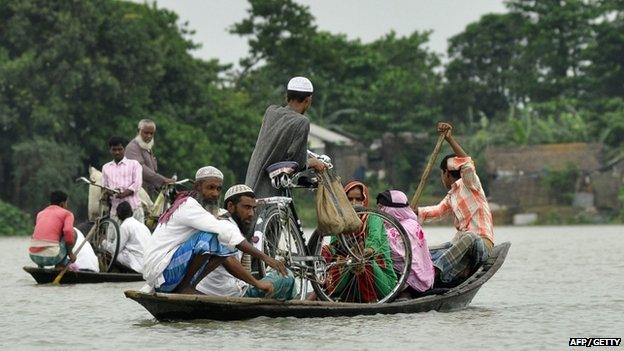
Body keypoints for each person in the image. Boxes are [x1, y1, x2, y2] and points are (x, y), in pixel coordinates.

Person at [142, 166, 287, 295]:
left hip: (165, 274)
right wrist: (265, 259)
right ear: (197, 187)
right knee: (214, 236)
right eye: (210, 188)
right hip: (163, 275)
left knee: (222, 239)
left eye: (218, 189)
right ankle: (186, 287)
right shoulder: (188, 206)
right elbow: (224, 232)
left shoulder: (206, 212)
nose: (215, 193)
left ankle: (188, 285)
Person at [416, 122, 495, 285]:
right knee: (428, 251)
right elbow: (435, 211)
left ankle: (435, 272)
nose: (441, 178)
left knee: (469, 236)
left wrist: (450, 139)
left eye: (441, 173)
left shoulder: (471, 184)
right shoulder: (451, 195)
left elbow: (467, 164)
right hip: (461, 246)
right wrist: (412, 211)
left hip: (481, 245)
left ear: (446, 173)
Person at [196, 184, 296, 300]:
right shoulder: (226, 225)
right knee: (287, 276)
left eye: (254, 208)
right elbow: (228, 259)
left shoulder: (222, 220)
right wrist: (257, 283)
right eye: (246, 207)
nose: (251, 214)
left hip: (211, 289)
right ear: (230, 206)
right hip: (228, 293)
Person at [245, 76, 327, 198]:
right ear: (308, 100)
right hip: (271, 190)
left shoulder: (271, 112)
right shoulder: (301, 122)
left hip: (251, 184)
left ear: (287, 97)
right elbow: (297, 163)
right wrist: (313, 162)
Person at [317, 181, 397, 302]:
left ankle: (368, 302)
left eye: (358, 199)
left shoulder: (373, 218)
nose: (354, 203)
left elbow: (373, 243)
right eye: (349, 199)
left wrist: (362, 254)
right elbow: (335, 247)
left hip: (381, 281)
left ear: (364, 200)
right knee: (327, 251)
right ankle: (319, 289)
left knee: (362, 262)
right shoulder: (340, 220)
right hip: (347, 272)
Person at [377, 190, 434, 294]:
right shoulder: (390, 225)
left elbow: (385, 243)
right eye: (378, 207)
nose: (379, 211)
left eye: (382, 207)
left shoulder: (409, 226)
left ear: (393, 209)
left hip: (411, 281)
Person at [125, 119, 175, 196]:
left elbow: (152, 170)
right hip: (135, 194)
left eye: (151, 133)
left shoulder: (146, 147)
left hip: (147, 192)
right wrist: (163, 180)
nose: (149, 136)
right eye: (146, 133)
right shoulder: (132, 147)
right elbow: (141, 169)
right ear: (139, 131)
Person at [28, 191, 76, 268]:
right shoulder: (67, 214)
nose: (67, 206)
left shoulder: (40, 213)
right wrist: (70, 253)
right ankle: (60, 265)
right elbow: (68, 231)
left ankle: (40, 267)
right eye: (66, 203)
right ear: (62, 204)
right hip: (53, 257)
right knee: (73, 232)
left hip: (33, 256)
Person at [102, 136, 144, 222]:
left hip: (134, 209)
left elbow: (137, 184)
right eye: (114, 150)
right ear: (110, 150)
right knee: (113, 236)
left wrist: (124, 193)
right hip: (116, 212)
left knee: (137, 235)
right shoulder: (106, 167)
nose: (117, 152)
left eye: (120, 149)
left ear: (124, 149)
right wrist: (111, 192)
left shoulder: (134, 164)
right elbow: (105, 187)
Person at [109, 201, 151, 274]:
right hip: (149, 265)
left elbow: (115, 249)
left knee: (112, 253)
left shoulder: (124, 226)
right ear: (131, 212)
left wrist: (103, 243)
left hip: (138, 266)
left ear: (118, 215)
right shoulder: (143, 226)